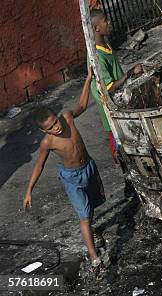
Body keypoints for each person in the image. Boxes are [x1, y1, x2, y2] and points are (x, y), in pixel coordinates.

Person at [22, 67, 106, 267]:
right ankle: (94, 257)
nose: (56, 127)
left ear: (58, 116)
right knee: (84, 217)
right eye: (50, 128)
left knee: (91, 207)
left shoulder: (67, 117)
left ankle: (92, 234)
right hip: (71, 178)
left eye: (55, 122)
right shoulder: (47, 143)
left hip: (88, 167)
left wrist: (87, 79)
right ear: (44, 130)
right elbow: (39, 166)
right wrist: (29, 191)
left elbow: (82, 105)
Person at [89, 9, 142, 163]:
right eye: (106, 20)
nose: (109, 23)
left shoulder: (105, 44)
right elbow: (108, 87)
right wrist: (130, 73)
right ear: (96, 28)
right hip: (111, 103)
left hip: (120, 96)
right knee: (120, 139)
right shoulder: (97, 56)